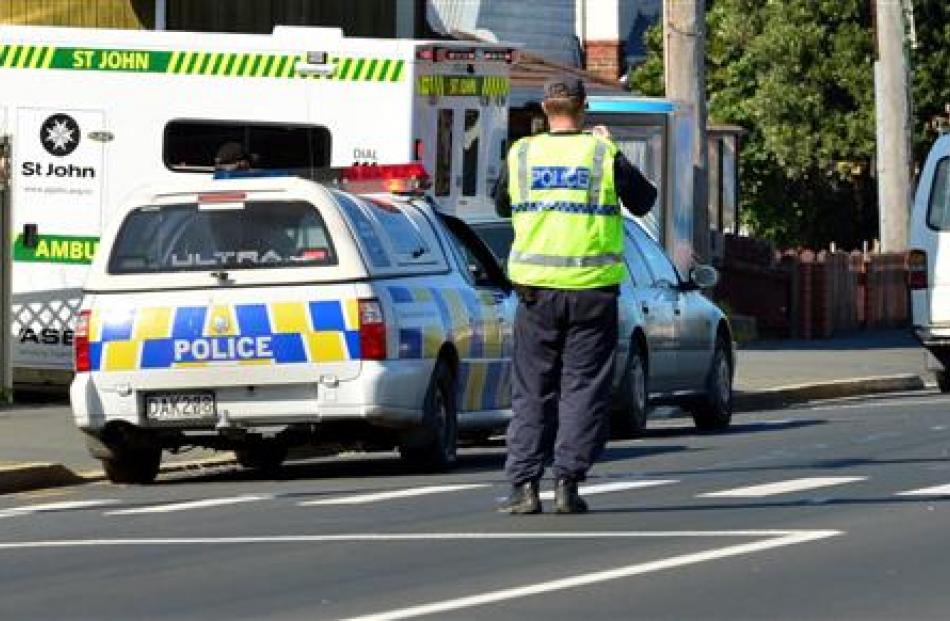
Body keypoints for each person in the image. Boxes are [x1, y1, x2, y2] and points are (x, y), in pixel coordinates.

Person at [495, 76, 657, 514]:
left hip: (536, 292)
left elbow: (499, 205)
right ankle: (568, 482)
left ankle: (524, 488)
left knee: (533, 389)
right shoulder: (602, 153)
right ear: (583, 109)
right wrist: (614, 150)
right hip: (591, 291)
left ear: (545, 110)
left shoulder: (522, 153)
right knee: (583, 388)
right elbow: (644, 200)